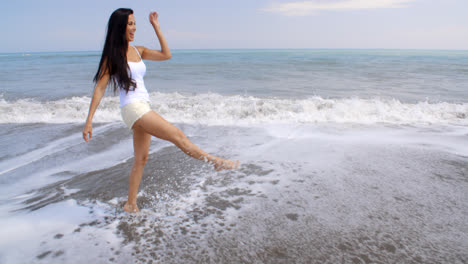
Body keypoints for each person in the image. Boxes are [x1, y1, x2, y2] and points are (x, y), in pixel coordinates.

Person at [82, 8, 239, 213]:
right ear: (119, 27)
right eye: (130, 24)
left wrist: (156, 27)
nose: (134, 27)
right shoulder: (112, 57)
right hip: (133, 108)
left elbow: (166, 54)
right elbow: (100, 88)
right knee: (178, 135)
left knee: (141, 159)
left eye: (135, 23)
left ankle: (130, 204)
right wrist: (89, 120)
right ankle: (216, 161)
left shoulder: (139, 50)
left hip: (143, 106)